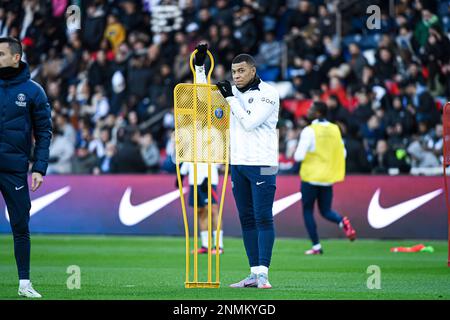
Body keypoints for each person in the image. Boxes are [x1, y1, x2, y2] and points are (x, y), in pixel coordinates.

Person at [196, 44, 279, 289]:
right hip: (238, 163)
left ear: (253, 70)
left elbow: (251, 122)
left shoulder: (268, 92)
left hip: (263, 163)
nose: (237, 75)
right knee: (246, 218)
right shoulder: (231, 91)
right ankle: (254, 273)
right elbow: (203, 100)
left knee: (263, 217)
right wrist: (200, 68)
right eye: (234, 71)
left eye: (242, 71)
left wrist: (230, 97)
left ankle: (264, 274)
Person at [0, 37, 52, 298]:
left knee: (20, 226)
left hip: (14, 169)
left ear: (15, 58)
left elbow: (44, 132)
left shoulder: (33, 92)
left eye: (0, 54)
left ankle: (24, 284)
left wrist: (39, 167)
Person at [293, 101, 356, 255]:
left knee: (308, 211)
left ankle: (316, 246)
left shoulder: (309, 130)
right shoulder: (335, 129)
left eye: (311, 109)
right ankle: (342, 221)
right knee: (326, 210)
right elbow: (344, 153)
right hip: (327, 177)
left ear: (318, 113)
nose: (308, 111)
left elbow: (298, 156)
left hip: (311, 177)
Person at [177, 162, 224, 254]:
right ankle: (205, 245)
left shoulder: (212, 147)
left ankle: (219, 245)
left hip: (209, 180)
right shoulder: (191, 147)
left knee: (213, 211)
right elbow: (187, 159)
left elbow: (220, 163)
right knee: (200, 212)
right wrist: (181, 175)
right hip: (194, 180)